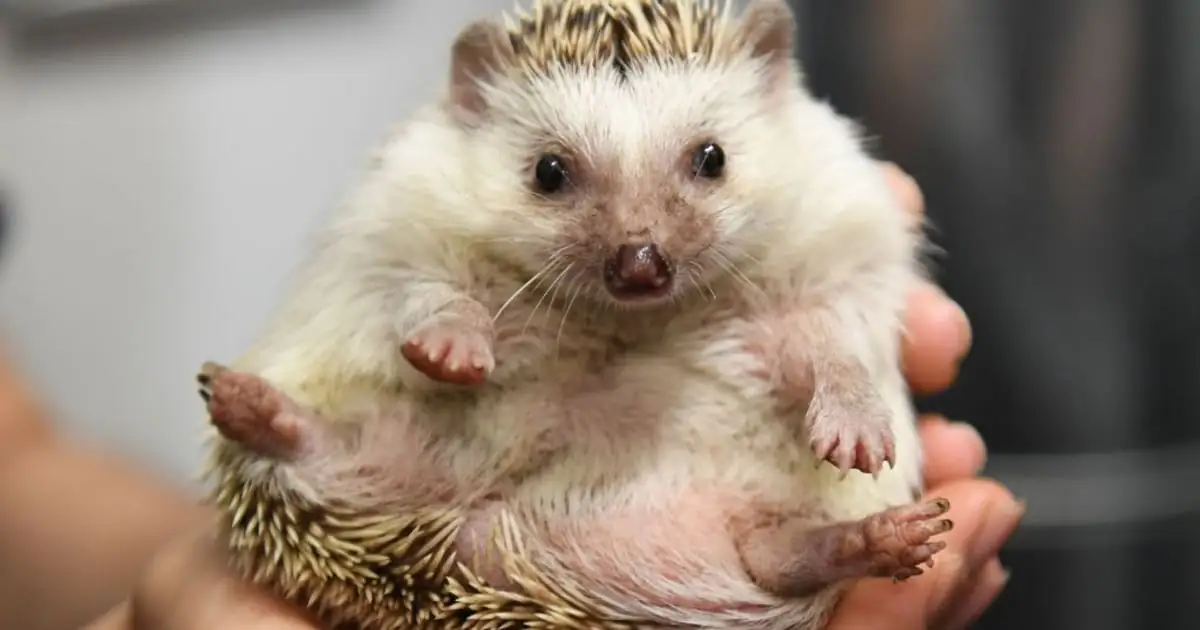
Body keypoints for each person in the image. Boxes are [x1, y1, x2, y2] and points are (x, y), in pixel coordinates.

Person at [0, 166, 1023, 630]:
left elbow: (13, 459)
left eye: (703, 166)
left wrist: (204, 584)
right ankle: (307, 446)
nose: (639, 242)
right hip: (490, 499)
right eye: (557, 176)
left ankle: (833, 548)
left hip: (593, 529)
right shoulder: (449, 220)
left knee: (758, 530)